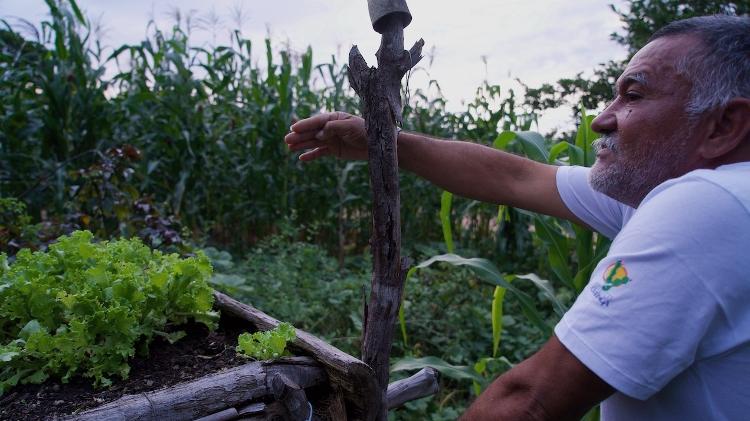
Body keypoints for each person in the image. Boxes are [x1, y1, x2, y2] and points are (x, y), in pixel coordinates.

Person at [285, 15, 750, 420]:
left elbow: (532, 403)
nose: (601, 120)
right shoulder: (706, 195)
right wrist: (385, 141)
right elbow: (517, 178)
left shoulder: (708, 203)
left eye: (634, 95)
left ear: (725, 125)